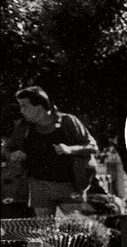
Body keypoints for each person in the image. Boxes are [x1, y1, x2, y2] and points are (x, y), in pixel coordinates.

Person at [4, 87, 98, 216]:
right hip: (39, 186)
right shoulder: (23, 127)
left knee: (77, 229)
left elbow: (93, 146)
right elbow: (7, 149)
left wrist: (70, 149)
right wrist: (12, 155)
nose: (21, 110)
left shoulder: (67, 121)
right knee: (45, 232)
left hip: (70, 185)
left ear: (40, 106)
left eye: (25, 106)